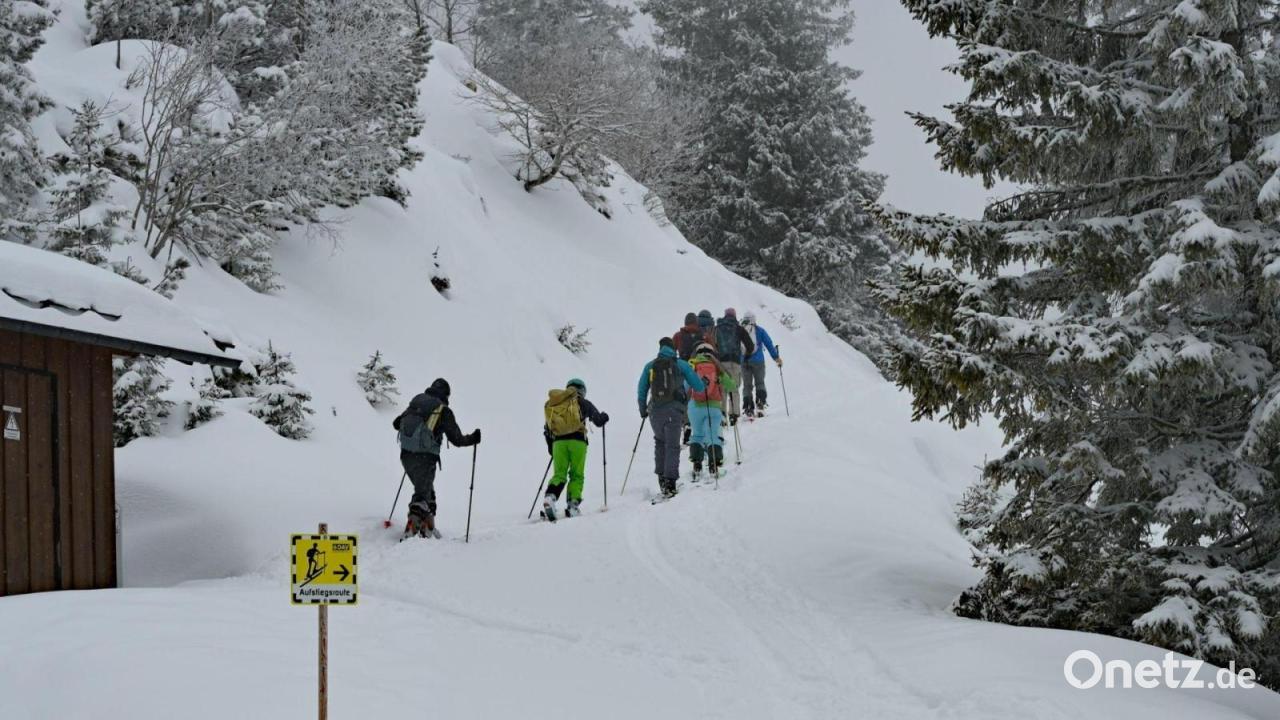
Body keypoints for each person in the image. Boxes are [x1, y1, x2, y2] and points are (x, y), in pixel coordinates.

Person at [392, 378, 481, 538]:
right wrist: (473, 438)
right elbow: (457, 440)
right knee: (422, 496)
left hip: (406, 455)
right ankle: (412, 529)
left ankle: (428, 528)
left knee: (427, 492)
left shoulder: (418, 400)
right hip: (425, 458)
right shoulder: (443, 410)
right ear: (446, 394)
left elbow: (396, 423)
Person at [637, 337, 705, 498]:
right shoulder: (681, 364)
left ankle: (662, 479)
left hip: (655, 411)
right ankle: (670, 482)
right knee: (672, 446)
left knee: (660, 442)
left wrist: (642, 409)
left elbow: (641, 389)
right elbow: (698, 386)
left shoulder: (650, 366)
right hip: (674, 411)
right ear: (673, 349)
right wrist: (704, 383)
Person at [542, 378, 609, 521]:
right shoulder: (582, 402)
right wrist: (603, 417)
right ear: (582, 390)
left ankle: (550, 497)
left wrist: (551, 447)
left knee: (559, 474)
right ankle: (572, 505)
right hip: (578, 442)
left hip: (558, 443)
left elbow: (547, 429)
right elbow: (597, 421)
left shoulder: (556, 404)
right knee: (576, 475)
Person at [688, 342, 737, 478]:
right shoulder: (716, 366)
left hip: (695, 406)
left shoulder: (692, 365)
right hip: (714, 406)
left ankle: (697, 465)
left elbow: (685, 385)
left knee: (697, 434)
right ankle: (713, 466)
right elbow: (731, 385)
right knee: (712, 435)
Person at [713, 308, 754, 425]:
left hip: (721, 363)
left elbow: (713, 344)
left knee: (722, 389)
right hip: (735, 362)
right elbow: (750, 346)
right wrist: (745, 356)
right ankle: (733, 415)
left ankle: (722, 414)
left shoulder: (717, 328)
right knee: (734, 388)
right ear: (735, 316)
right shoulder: (738, 328)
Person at [740, 311, 781, 418]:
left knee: (747, 386)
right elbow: (768, 344)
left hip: (744, 362)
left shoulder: (739, 331)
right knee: (760, 382)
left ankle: (748, 407)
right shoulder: (760, 330)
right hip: (758, 361)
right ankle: (760, 404)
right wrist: (776, 357)